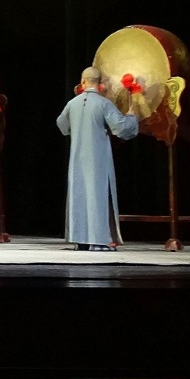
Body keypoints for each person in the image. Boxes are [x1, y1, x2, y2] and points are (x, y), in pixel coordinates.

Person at [56, 66, 143, 251]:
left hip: (77, 158)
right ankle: (99, 241)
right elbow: (121, 128)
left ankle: (80, 240)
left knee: (80, 195)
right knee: (98, 195)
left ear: (82, 82)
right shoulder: (103, 103)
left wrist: (75, 128)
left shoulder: (72, 103)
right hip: (97, 158)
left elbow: (61, 124)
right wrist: (131, 116)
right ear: (100, 84)